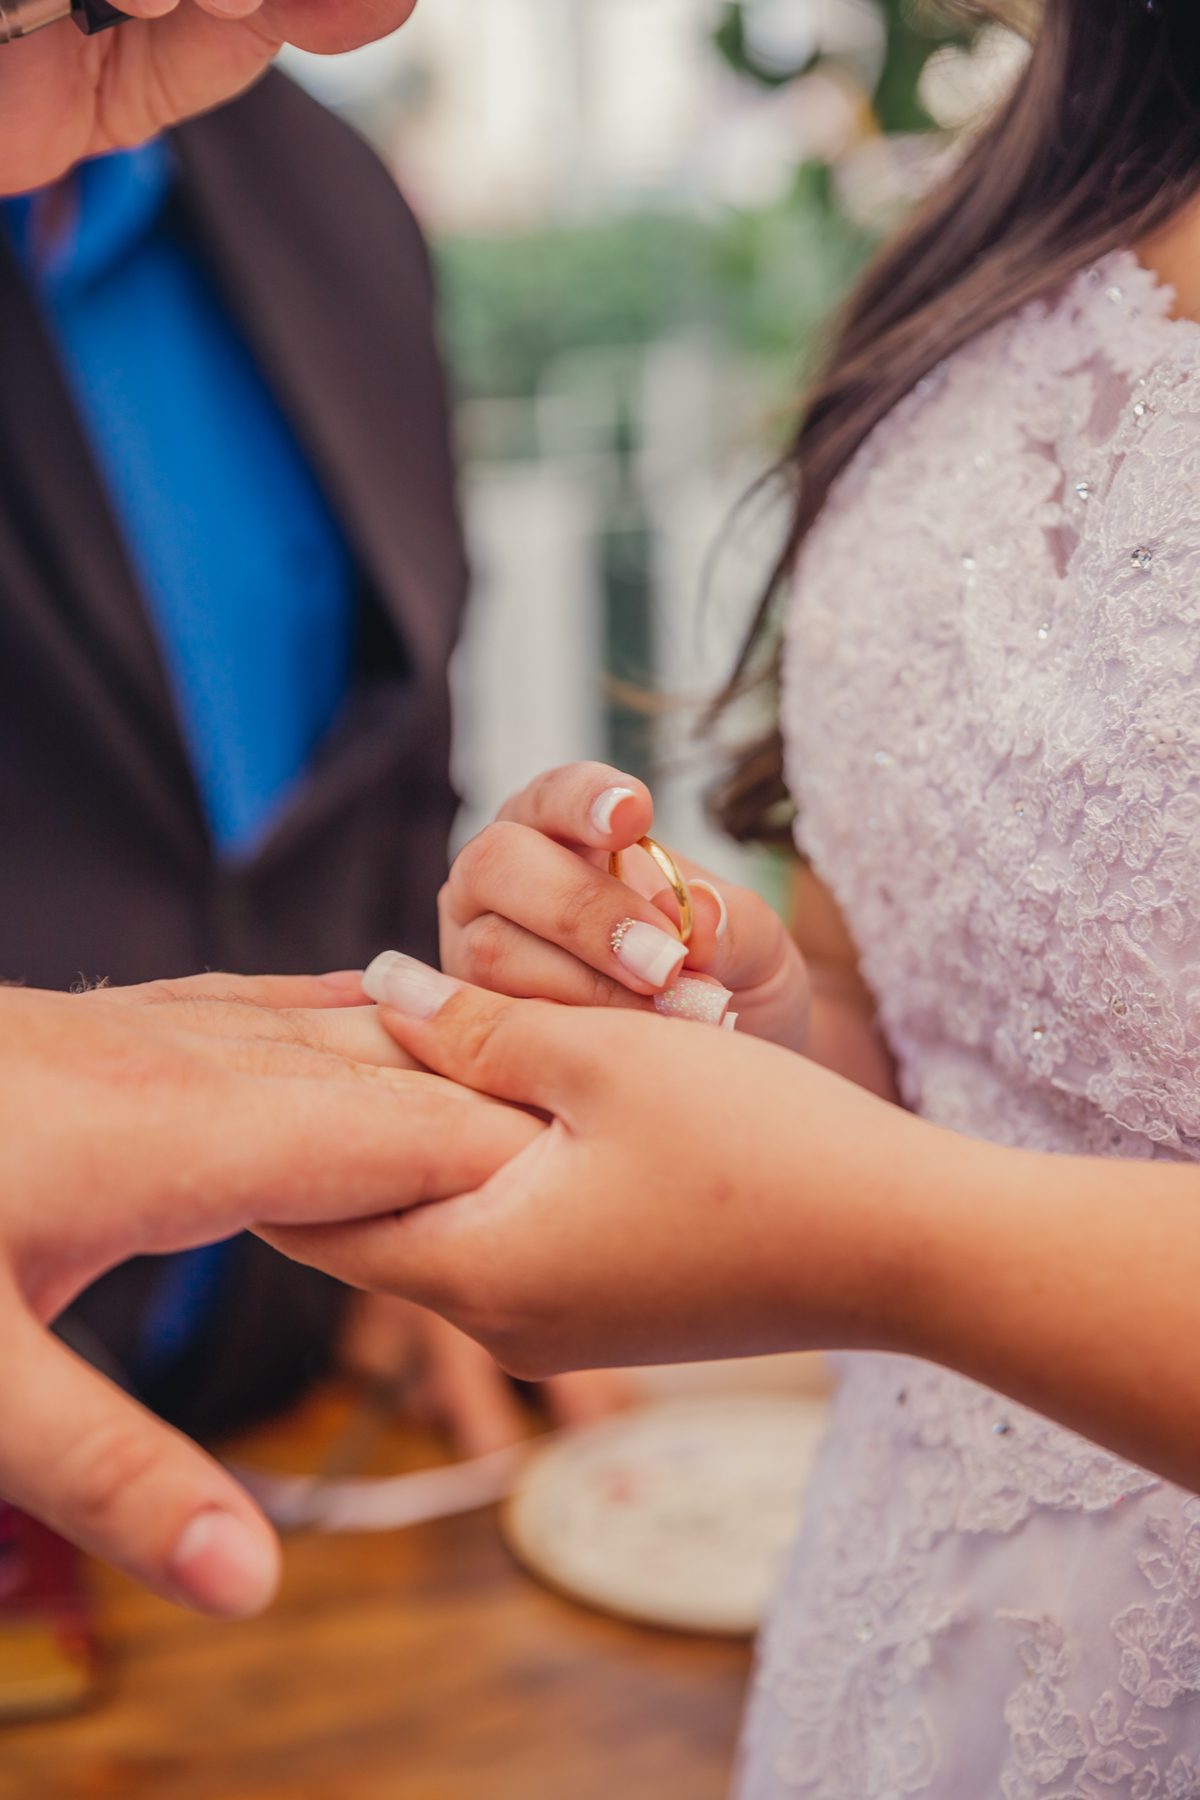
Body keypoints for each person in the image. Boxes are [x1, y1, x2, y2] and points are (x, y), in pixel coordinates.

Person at [266, 2, 1200, 1793]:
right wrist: (748, 1026)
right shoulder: (1026, 224)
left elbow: (928, 1208)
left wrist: (880, 1237)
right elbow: (952, 1059)